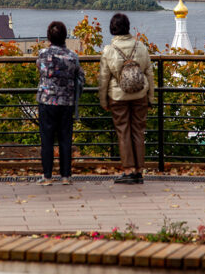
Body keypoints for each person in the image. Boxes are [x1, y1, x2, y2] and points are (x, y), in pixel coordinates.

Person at [98, 13, 154, 184]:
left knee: (123, 132)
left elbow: (104, 78)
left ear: (112, 29)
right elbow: (149, 74)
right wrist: (150, 97)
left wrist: (103, 100)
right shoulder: (141, 47)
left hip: (118, 96)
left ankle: (129, 170)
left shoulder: (109, 50)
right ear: (128, 27)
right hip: (140, 94)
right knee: (138, 131)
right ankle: (139, 170)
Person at [36, 21, 85, 186]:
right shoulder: (72, 56)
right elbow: (80, 75)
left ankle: (47, 176)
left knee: (47, 140)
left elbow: (40, 69)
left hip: (46, 101)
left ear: (49, 37)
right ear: (65, 36)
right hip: (66, 102)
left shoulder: (43, 54)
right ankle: (65, 176)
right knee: (65, 139)